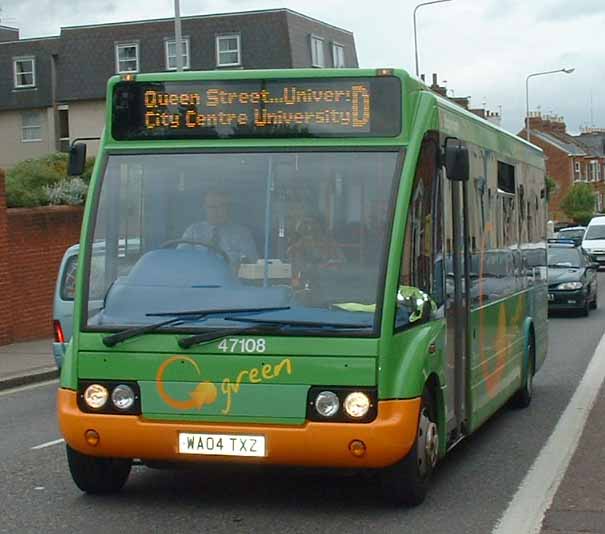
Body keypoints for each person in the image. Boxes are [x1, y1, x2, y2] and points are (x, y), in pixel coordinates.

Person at [182, 191, 258, 266]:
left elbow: (251, 262)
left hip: (229, 277)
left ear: (228, 208)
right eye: (212, 207)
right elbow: (181, 257)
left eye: (222, 206)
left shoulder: (242, 234)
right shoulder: (193, 231)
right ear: (204, 207)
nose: (217, 211)